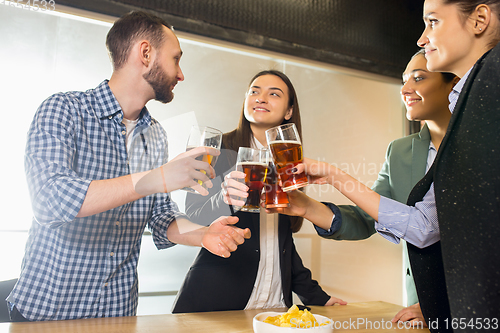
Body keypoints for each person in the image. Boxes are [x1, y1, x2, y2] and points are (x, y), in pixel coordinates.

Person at [6, 11, 250, 322]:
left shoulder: (155, 134)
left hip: (116, 316)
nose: (181, 74)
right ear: (145, 53)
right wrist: (157, 178)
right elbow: (51, 200)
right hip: (49, 315)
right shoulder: (63, 110)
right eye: (176, 59)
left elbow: (161, 216)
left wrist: (203, 234)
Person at [265, 50, 458, 327]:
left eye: (419, 78)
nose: (405, 89)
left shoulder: (479, 145)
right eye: (404, 80)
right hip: (420, 308)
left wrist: (441, 302)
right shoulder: (400, 151)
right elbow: (368, 216)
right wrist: (306, 207)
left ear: (453, 84)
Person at [171, 70, 346, 313]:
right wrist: (224, 197)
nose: (260, 98)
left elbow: (280, 241)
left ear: (289, 111)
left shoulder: (288, 159)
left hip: (274, 304)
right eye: (254, 91)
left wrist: (316, 296)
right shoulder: (216, 149)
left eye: (273, 94)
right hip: (217, 302)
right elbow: (190, 217)